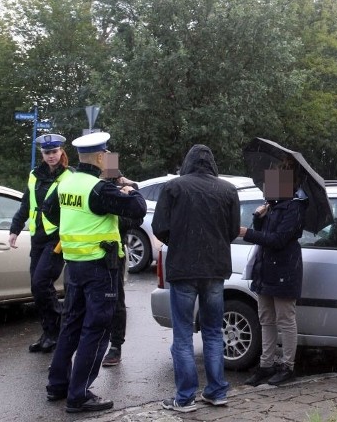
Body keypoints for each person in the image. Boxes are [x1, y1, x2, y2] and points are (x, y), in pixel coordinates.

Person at [42, 132, 147, 414]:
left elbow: (48, 210)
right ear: (101, 157)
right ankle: (79, 395)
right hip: (100, 266)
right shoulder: (98, 189)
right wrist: (128, 188)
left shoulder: (68, 182)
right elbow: (139, 208)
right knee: (97, 330)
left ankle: (58, 385)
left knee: (71, 325)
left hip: (74, 265)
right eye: (107, 154)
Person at [152, 144, 240, 413]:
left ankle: (185, 397)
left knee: (183, 335)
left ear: (187, 162)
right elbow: (233, 230)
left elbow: (159, 227)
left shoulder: (174, 188)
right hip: (215, 269)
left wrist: (179, 242)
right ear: (212, 163)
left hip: (183, 270)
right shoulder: (228, 190)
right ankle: (216, 391)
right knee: (214, 332)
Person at [239, 160, 308, 387]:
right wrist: (258, 219)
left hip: (285, 269)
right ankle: (266, 365)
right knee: (265, 319)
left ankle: (288, 366)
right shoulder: (273, 204)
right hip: (265, 268)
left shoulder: (295, 207)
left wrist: (247, 232)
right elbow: (265, 233)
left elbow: (278, 239)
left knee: (285, 319)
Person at [8, 133, 72, 354]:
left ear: (61, 152)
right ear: (42, 155)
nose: (51, 156)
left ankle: (58, 328)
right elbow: (26, 204)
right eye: (47, 153)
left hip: (57, 238)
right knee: (37, 288)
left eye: (54, 152)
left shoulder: (68, 177)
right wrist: (15, 229)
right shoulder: (35, 175)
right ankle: (49, 333)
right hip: (38, 238)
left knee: (41, 282)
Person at [102, 171, 143, 368]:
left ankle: (115, 346)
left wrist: (118, 218)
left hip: (113, 254)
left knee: (116, 301)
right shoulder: (91, 186)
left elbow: (136, 218)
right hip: (86, 255)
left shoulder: (126, 189)